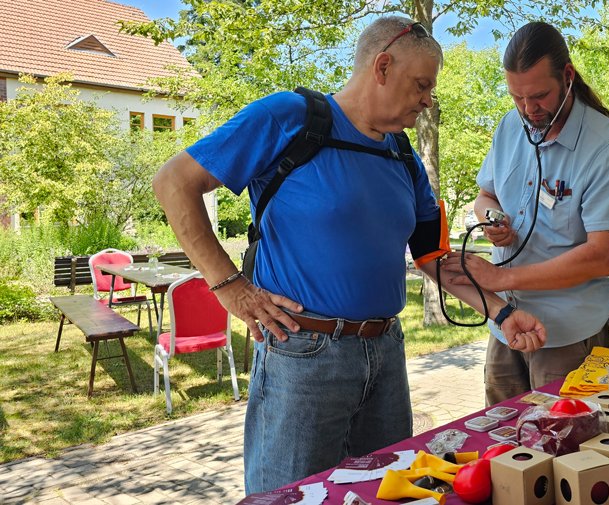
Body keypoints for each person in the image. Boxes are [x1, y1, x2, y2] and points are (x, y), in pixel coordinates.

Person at [152, 16, 547, 494]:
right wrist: (229, 286)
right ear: (382, 66)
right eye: (421, 85)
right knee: (291, 497)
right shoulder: (291, 117)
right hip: (303, 354)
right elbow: (174, 182)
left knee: (390, 492)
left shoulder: (402, 155)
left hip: (385, 353)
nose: (427, 101)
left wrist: (502, 314)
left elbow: (432, 257)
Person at [441, 22, 609, 406]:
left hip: (567, 336)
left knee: (566, 447)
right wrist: (494, 218)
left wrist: (500, 276)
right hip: (505, 325)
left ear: (567, 76)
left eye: (540, 96)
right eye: (517, 97)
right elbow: (485, 195)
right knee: (501, 442)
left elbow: (603, 256)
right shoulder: (510, 126)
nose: (528, 110)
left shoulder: (604, 146)